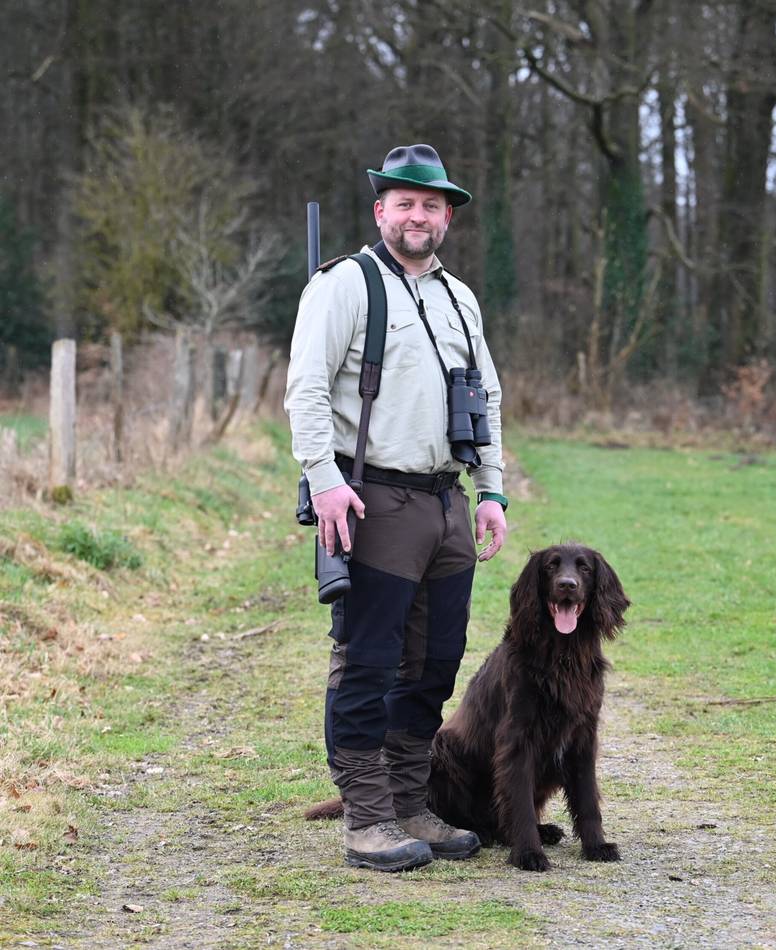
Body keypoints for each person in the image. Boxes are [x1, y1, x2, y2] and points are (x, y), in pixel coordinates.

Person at [284, 144, 508, 872]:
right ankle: (367, 818)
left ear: (448, 216)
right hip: (369, 496)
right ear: (381, 210)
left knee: (434, 666)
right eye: (405, 202)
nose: (419, 215)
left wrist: (492, 489)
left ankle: (412, 803)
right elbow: (306, 390)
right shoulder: (345, 285)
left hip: (446, 504)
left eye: (432, 204)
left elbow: (487, 398)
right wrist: (324, 480)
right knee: (368, 664)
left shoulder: (460, 298)